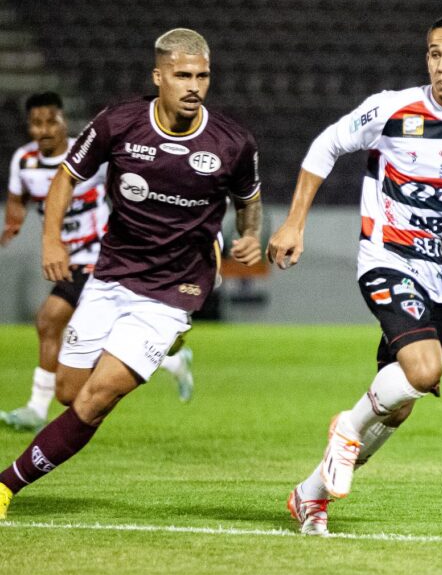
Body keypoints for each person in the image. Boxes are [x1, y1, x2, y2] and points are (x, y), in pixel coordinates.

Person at [267, 14, 442, 535]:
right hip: (388, 256)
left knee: (396, 408)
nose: (441, 65)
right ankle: (343, 430)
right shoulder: (391, 108)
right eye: (434, 54)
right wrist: (295, 223)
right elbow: (326, 144)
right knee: (424, 370)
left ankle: (308, 496)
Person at [0, 28, 262, 517]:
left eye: (202, 75)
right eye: (183, 75)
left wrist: (248, 235)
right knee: (69, 392)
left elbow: (249, 200)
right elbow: (67, 176)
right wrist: (51, 238)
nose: (194, 86)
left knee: (97, 397)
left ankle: (6, 485)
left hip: (174, 290)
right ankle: (174, 353)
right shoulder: (118, 123)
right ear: (158, 76)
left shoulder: (232, 142)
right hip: (113, 275)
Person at [1, 93, 194, 433]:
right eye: (36, 123)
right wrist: (13, 223)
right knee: (93, 335)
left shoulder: (90, 151)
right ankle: (171, 359)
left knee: (49, 320)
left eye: (51, 120)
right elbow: (17, 200)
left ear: (64, 120)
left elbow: (132, 182)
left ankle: (36, 407)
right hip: (70, 262)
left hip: (105, 258)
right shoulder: (23, 161)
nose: (44, 129)